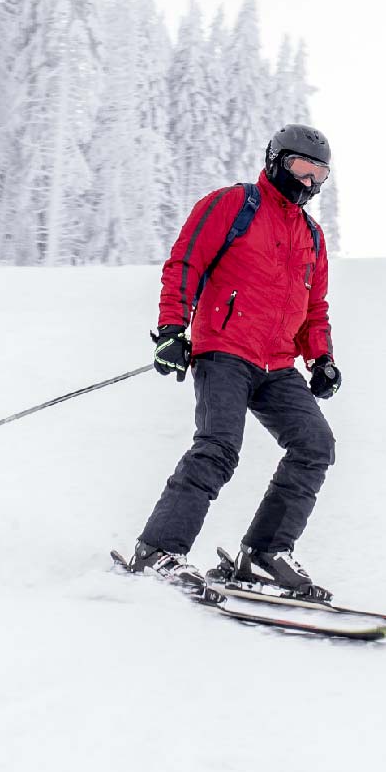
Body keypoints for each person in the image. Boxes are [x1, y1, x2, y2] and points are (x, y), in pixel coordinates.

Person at [126, 124, 343, 600]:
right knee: (218, 448)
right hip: (224, 351)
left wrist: (322, 358)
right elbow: (186, 263)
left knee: (315, 445)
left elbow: (315, 307)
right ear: (275, 162)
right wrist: (170, 331)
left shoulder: (312, 235)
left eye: (319, 173)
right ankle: (157, 550)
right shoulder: (233, 205)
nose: (309, 181)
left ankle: (263, 554)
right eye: (301, 168)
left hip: (278, 364)